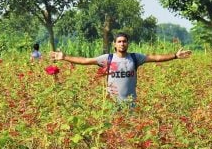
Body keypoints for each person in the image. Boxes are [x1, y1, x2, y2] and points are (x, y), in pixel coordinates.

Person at [49, 32, 191, 106]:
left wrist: (175, 56)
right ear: (114, 44)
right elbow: (85, 61)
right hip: (112, 104)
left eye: (124, 41)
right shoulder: (107, 59)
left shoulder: (136, 58)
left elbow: (156, 58)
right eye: (119, 42)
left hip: (130, 104)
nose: (122, 44)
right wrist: (64, 56)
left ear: (128, 43)